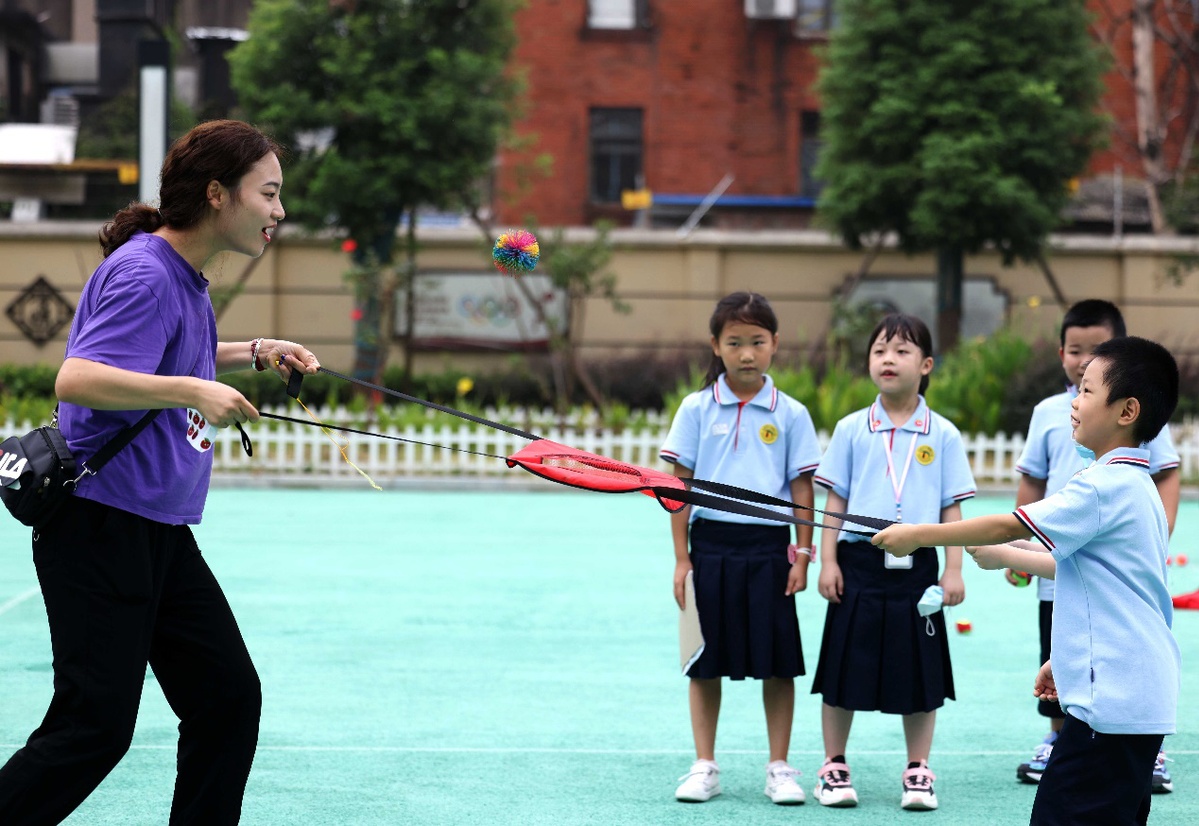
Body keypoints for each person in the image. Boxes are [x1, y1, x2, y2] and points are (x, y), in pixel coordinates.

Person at [0, 119, 320, 825]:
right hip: (100, 525)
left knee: (226, 700)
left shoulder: (184, 278)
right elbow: (78, 376)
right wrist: (192, 390)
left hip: (158, 532)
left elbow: (169, 350)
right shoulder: (146, 272)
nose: (279, 210)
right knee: (93, 730)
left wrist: (254, 351)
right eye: (267, 193)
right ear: (217, 194)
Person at [873, 335, 1180, 826]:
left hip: (1111, 708)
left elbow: (1006, 523)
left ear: (1127, 411)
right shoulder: (1136, 485)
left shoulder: (1102, 484)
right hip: (1134, 697)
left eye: (1085, 391)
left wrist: (918, 534)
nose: (1073, 403)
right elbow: (1095, 575)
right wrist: (1066, 655)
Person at [660, 292, 822, 805]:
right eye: (734, 342)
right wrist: (682, 558)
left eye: (757, 341)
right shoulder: (695, 408)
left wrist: (801, 554)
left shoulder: (792, 413)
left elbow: (802, 489)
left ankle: (779, 768)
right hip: (710, 548)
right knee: (704, 662)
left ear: (775, 344)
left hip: (770, 549)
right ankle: (705, 765)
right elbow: (677, 489)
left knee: (778, 663)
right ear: (716, 345)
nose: (747, 353)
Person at [1011, 300, 1180, 791]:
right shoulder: (1050, 413)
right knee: (1060, 645)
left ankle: (1144, 749)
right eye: (1075, 352)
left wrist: (1157, 535)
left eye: (1095, 354)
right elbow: (1031, 483)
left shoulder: (1132, 434)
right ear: (1061, 352)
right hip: (1057, 556)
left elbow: (1165, 474)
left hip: (1105, 560)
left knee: (1119, 647)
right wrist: (1020, 550)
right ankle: (1058, 736)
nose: (1081, 359)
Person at [810, 313, 975, 811]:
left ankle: (918, 769)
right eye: (880, 350)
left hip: (920, 571)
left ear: (926, 365)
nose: (888, 359)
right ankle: (834, 766)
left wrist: (954, 569)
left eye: (902, 351)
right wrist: (828, 561)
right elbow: (834, 501)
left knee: (920, 676)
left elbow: (951, 508)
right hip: (858, 564)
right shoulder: (850, 429)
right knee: (841, 670)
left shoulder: (942, 434)